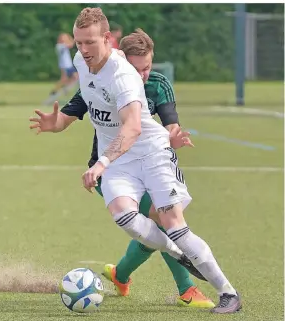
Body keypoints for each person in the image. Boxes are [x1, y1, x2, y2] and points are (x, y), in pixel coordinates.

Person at [30, 7, 241, 314]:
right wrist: (57, 123)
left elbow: (133, 128)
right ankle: (176, 253)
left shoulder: (124, 75)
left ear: (107, 39)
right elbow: (82, 109)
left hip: (151, 154)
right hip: (119, 161)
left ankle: (228, 293)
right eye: (79, 42)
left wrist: (100, 163)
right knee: (126, 218)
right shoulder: (81, 62)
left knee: (173, 224)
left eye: (90, 42)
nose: (84, 49)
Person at [54, 30, 213, 308]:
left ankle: (120, 274)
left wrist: (172, 135)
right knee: (161, 224)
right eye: (135, 68)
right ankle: (187, 290)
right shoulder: (102, 80)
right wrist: (52, 121)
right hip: (111, 169)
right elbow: (68, 114)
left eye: (147, 68)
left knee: (158, 226)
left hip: (146, 166)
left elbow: (170, 121)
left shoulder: (158, 84)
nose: (142, 75)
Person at [47, 33, 78, 103]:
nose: (65, 39)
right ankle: (54, 91)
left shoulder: (62, 45)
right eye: (64, 38)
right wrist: (73, 38)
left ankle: (65, 88)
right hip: (64, 66)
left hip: (69, 65)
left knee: (75, 77)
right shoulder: (59, 46)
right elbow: (71, 45)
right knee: (64, 79)